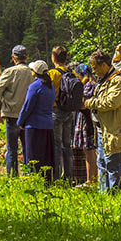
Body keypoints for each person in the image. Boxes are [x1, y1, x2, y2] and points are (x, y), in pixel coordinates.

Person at [83, 50, 121, 193]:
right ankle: (104, 197)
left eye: (95, 67)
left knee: (113, 165)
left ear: (104, 65)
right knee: (102, 163)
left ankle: (115, 197)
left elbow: (111, 102)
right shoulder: (105, 80)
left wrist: (91, 103)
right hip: (104, 130)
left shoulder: (118, 80)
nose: (94, 71)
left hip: (116, 130)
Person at [0, 44, 36, 177]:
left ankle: (12, 177)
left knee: (12, 149)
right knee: (28, 148)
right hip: (28, 116)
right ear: (27, 57)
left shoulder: (10, 72)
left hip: (11, 115)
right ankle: (28, 176)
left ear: (13, 57)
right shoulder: (32, 72)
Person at [17, 60, 56, 182]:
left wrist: (20, 121)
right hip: (48, 124)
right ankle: (47, 180)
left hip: (34, 125)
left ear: (35, 72)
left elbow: (27, 106)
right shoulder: (50, 86)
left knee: (33, 155)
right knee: (46, 156)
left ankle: (33, 179)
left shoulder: (34, 86)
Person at [46, 45, 75, 182]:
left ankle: (57, 176)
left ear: (53, 58)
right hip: (69, 111)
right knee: (67, 145)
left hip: (56, 110)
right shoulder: (72, 73)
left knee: (57, 144)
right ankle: (69, 177)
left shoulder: (52, 73)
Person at [71, 62, 98, 186]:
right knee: (88, 151)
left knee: (89, 151)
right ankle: (91, 179)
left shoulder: (88, 86)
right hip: (87, 120)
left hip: (86, 121)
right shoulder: (93, 84)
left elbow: (83, 104)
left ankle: (91, 180)